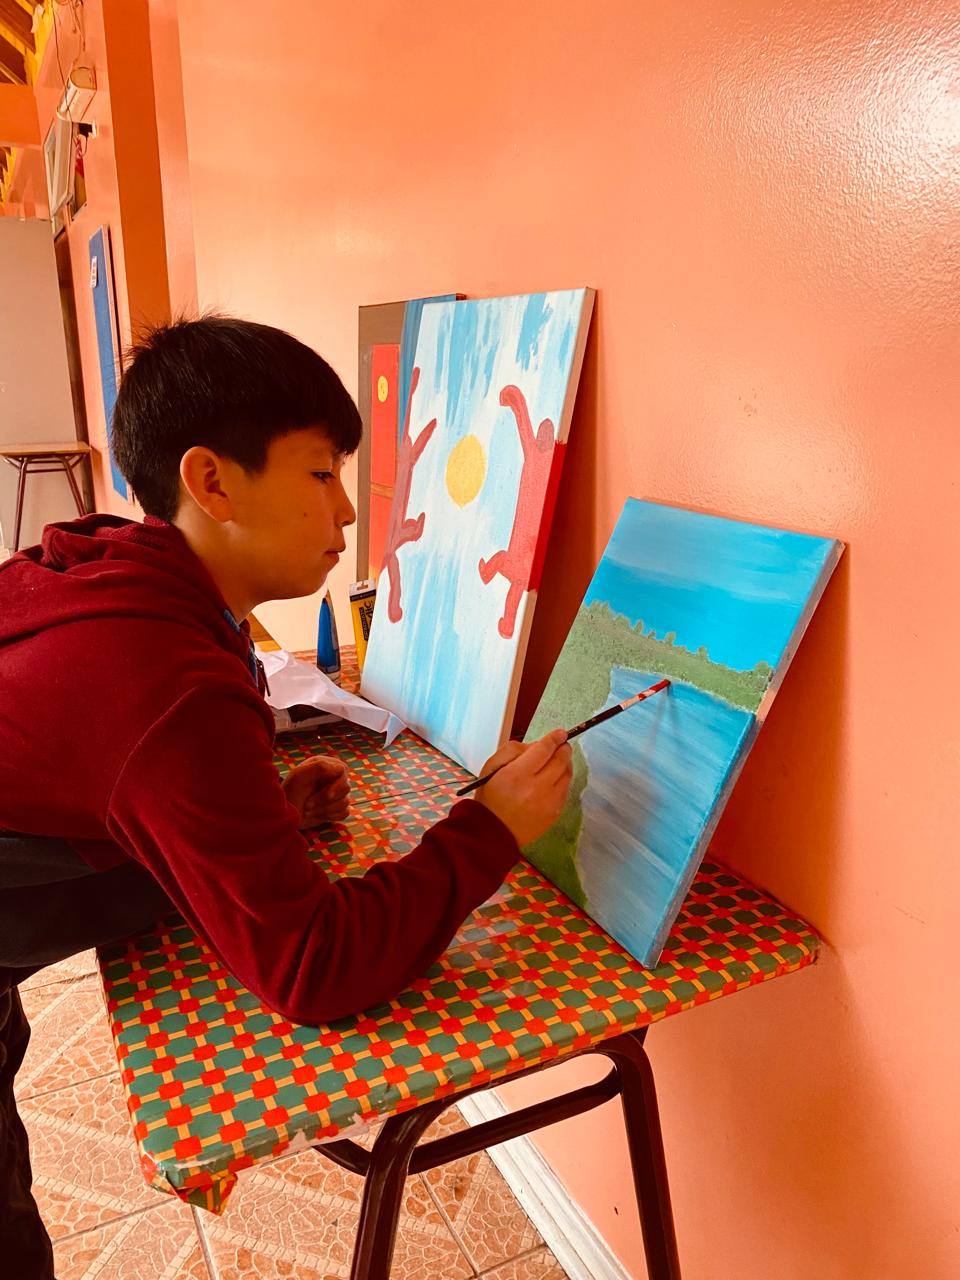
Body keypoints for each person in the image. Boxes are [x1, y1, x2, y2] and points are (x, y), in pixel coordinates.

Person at [0, 315, 573, 1276]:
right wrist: (490, 829)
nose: (347, 513)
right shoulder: (162, 676)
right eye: (320, 474)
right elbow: (314, 966)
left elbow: (122, 779)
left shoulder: (130, 572)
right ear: (211, 481)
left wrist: (255, 807)